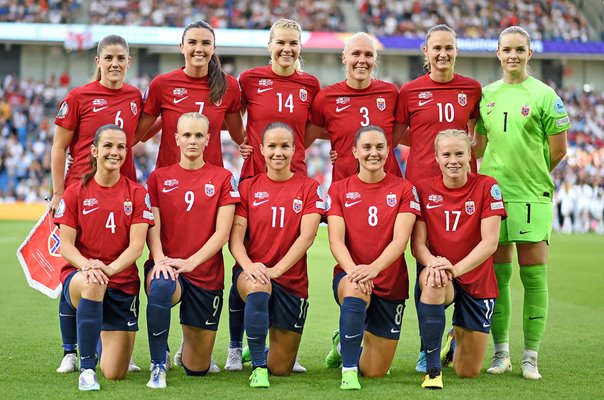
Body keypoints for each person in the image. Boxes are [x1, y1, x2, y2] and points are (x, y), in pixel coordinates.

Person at [225, 18, 320, 373]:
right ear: (269, 45)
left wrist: (295, 151)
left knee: (291, 253)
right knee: (245, 262)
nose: (287, 49)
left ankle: (280, 341)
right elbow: (232, 115)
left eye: (293, 43)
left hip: (293, 182)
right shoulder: (250, 79)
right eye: (281, 42)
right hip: (254, 179)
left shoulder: (309, 83)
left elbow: (312, 127)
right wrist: (243, 144)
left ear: (300, 48)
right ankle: (237, 346)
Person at [474, 26, 569, 380]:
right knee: (498, 277)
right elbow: (480, 147)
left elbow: (558, 150)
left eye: (519, 49)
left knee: (534, 277)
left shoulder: (545, 95)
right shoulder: (486, 95)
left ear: (529, 54)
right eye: (506, 49)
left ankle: (531, 355)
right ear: (498, 54)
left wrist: (531, 174)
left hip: (532, 195)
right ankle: (502, 354)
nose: (512, 55)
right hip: (494, 195)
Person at [50, 35, 143, 374]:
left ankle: (115, 346)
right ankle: (71, 350)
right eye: (109, 57)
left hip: (121, 194)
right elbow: (59, 146)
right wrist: (58, 192)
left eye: (121, 57)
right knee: (76, 267)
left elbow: (144, 130)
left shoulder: (135, 97)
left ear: (129, 62)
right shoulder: (78, 97)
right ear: (98, 61)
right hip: (80, 192)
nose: (115, 63)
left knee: (115, 265)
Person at [395, 24, 482, 373]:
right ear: (426, 53)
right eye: (436, 48)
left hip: (464, 192)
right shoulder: (410, 91)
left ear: (456, 51)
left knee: (467, 261)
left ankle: (459, 332)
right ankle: (426, 346)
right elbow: (399, 134)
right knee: (425, 267)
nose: (443, 54)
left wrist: (469, 164)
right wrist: (426, 155)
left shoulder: (472, 89)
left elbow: (477, 136)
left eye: (449, 48)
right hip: (422, 191)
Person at [54, 124, 154, 391]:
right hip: (83, 278)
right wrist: (88, 266)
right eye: (108, 146)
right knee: (93, 283)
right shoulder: (76, 191)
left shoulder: (137, 193)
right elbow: (66, 246)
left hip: (121, 282)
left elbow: (136, 247)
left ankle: (95, 329)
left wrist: (107, 269)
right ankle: (86, 369)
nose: (115, 152)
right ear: (94, 150)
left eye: (121, 146)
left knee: (116, 373)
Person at [144, 112, 239, 388]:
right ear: (176, 139)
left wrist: (191, 263)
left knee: (196, 369)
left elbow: (222, 233)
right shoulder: (158, 177)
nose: (193, 140)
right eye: (186, 135)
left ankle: (187, 348)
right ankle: (157, 365)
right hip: (167, 266)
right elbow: (153, 227)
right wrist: (160, 260)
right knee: (162, 284)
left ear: (209, 139)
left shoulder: (223, 178)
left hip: (204, 272)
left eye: (199, 135)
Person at [228, 122, 323, 388]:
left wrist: (277, 270)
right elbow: (235, 240)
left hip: (290, 280)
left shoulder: (309, 188)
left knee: (281, 369)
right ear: (261, 149)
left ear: (295, 149)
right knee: (259, 285)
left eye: (284, 146)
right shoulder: (247, 187)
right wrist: (249, 267)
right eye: (271, 146)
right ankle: (257, 365)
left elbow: (307, 237)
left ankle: (260, 347)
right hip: (253, 273)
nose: (277, 152)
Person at [324, 125, 419, 390]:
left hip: (390, 282)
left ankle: (343, 345)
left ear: (389, 151)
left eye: (379, 147)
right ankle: (349, 371)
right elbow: (335, 241)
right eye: (366, 147)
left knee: (375, 372)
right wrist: (356, 271)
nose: (373, 153)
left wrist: (373, 270)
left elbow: (400, 241)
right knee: (355, 289)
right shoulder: (339, 189)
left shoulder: (405, 189)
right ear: (354, 151)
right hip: (351, 275)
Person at [411, 129, 506, 389]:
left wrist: (454, 269)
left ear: (470, 155)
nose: (453, 160)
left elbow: (490, 243)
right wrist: (434, 263)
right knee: (433, 280)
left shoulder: (487, 186)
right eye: (447, 154)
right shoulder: (423, 188)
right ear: (437, 158)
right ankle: (432, 370)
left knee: (468, 372)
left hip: (476, 279)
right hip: (441, 274)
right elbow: (418, 244)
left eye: (459, 154)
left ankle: (455, 341)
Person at [135, 20, 245, 169]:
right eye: (192, 42)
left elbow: (238, 135)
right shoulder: (161, 84)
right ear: (182, 47)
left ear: (213, 48)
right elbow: (142, 135)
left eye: (205, 43)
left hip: (212, 179)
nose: (198, 49)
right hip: (169, 178)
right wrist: (167, 117)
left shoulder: (229, 85)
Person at [307, 32, 403, 182]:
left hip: (389, 188)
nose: (362, 60)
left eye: (368, 55)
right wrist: (339, 142)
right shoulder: (326, 97)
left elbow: (399, 134)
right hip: (345, 188)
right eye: (356, 54)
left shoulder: (391, 93)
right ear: (344, 57)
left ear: (375, 59)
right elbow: (307, 136)